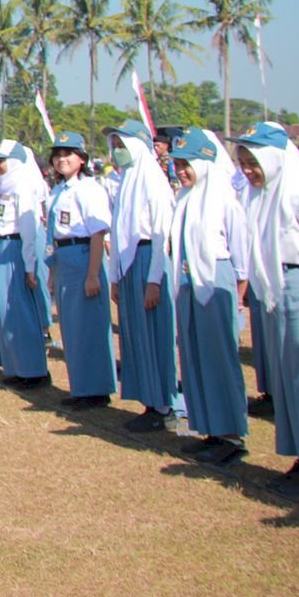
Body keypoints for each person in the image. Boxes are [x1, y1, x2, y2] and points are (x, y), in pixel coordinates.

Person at [231, 122, 299, 496]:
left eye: (252, 162)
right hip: (276, 289)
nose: (247, 170)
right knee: (287, 378)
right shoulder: (260, 196)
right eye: (242, 162)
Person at [167, 127, 252, 464]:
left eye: (186, 164)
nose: (181, 171)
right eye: (176, 164)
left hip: (216, 279)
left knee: (219, 358)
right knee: (195, 357)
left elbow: (240, 256)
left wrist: (240, 296)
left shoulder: (222, 197)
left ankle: (231, 436)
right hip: (188, 280)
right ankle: (209, 429)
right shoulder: (185, 197)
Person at [104, 120, 179, 431]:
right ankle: (149, 400)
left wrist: (154, 280)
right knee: (136, 334)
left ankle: (163, 405)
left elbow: (162, 232)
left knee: (153, 332)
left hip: (149, 258)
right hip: (130, 263)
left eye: (122, 145)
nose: (117, 151)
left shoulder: (152, 178)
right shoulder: (127, 180)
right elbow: (119, 229)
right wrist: (116, 275)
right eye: (115, 146)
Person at [47, 131, 117, 409]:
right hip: (64, 257)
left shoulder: (89, 189)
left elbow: (98, 233)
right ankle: (81, 386)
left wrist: (92, 274)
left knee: (89, 325)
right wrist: (53, 272)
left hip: (84, 254)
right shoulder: (59, 190)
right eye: (58, 154)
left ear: (82, 159)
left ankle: (96, 389)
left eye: (69, 154)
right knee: (72, 326)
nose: (62, 159)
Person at [0, 140, 51, 387]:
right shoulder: (5, 186)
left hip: (17, 247)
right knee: (8, 310)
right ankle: (17, 366)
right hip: (5, 246)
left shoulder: (22, 185)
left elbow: (28, 229)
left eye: (0, 160)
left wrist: (29, 266)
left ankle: (34, 370)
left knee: (22, 311)